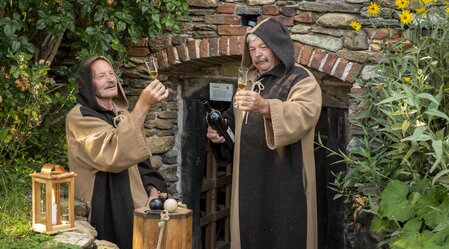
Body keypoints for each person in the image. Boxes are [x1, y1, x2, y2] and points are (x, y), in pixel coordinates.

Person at [207, 18, 322, 249]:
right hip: (249, 176)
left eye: (263, 47)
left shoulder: (301, 79)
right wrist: (221, 132)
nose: (257, 54)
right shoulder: (248, 79)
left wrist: (267, 107)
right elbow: (235, 116)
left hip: (285, 177)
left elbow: (304, 113)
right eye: (252, 49)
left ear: (277, 47)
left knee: (286, 235)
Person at [66, 56, 168, 249]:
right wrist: (143, 105)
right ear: (88, 84)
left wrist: (153, 190)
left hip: (137, 205)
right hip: (106, 209)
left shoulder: (122, 114)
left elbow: (142, 159)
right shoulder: (79, 117)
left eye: (111, 73)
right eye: (101, 76)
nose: (111, 79)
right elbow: (115, 154)